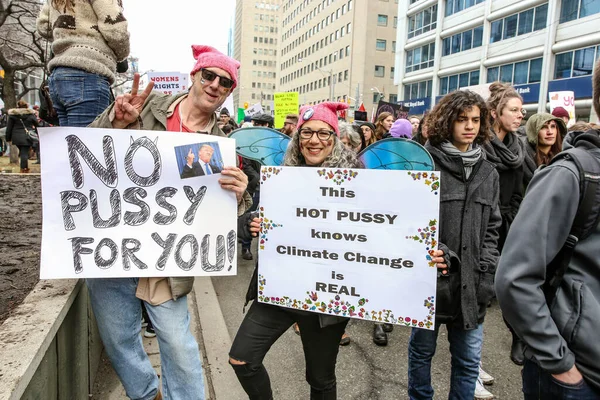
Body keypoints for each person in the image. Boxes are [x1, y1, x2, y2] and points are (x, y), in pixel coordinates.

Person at [88, 45, 250, 400]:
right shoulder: (146, 106)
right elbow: (88, 149)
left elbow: (225, 209)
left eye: (225, 82)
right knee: (117, 337)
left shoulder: (220, 146)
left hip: (167, 257)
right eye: (209, 76)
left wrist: (237, 196)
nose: (215, 85)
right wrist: (117, 123)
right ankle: (147, 394)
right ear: (195, 75)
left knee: (177, 343)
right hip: (114, 245)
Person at [229, 102, 362, 400]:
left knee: (320, 378)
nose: (314, 140)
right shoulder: (282, 175)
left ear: (335, 137)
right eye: (307, 133)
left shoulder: (358, 178)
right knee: (243, 358)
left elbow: (383, 229)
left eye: (324, 133)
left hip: (327, 295)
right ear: (298, 138)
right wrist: (251, 223)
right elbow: (255, 216)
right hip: (281, 286)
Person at [495, 58, 600, 400]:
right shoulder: (568, 172)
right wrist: (560, 365)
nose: (550, 132)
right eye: (545, 127)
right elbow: (516, 278)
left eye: (556, 127)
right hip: (577, 372)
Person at [408, 90, 501, 400]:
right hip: (429, 283)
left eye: (475, 120)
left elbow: (493, 226)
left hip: (472, 284)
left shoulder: (488, 171)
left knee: (468, 362)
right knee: (421, 353)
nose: (469, 126)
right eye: (462, 119)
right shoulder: (424, 163)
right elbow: (407, 220)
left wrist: (487, 267)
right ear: (447, 121)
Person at [36, 0, 130, 127]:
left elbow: (43, 26)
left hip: (59, 73)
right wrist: (121, 54)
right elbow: (115, 29)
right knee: (88, 142)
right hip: (88, 71)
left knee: (69, 141)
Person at [521, 113, 566, 189]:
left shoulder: (564, 158)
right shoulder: (521, 158)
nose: (550, 132)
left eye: (553, 126)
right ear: (533, 131)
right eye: (543, 127)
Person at [5, 100, 38, 173]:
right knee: (24, 153)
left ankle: (24, 168)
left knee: (23, 152)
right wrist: (36, 133)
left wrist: (8, 138)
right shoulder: (31, 115)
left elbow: (9, 128)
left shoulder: (13, 116)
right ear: (26, 106)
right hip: (27, 136)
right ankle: (24, 168)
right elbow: (37, 125)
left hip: (16, 136)